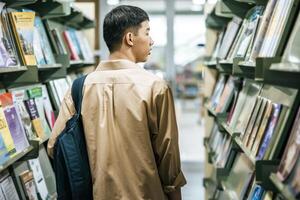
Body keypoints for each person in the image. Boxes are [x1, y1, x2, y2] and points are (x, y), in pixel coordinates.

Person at [48, 5, 186, 200]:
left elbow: (55, 146)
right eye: (147, 32)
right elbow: (168, 158)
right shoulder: (155, 87)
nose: (151, 41)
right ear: (130, 38)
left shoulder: (79, 88)